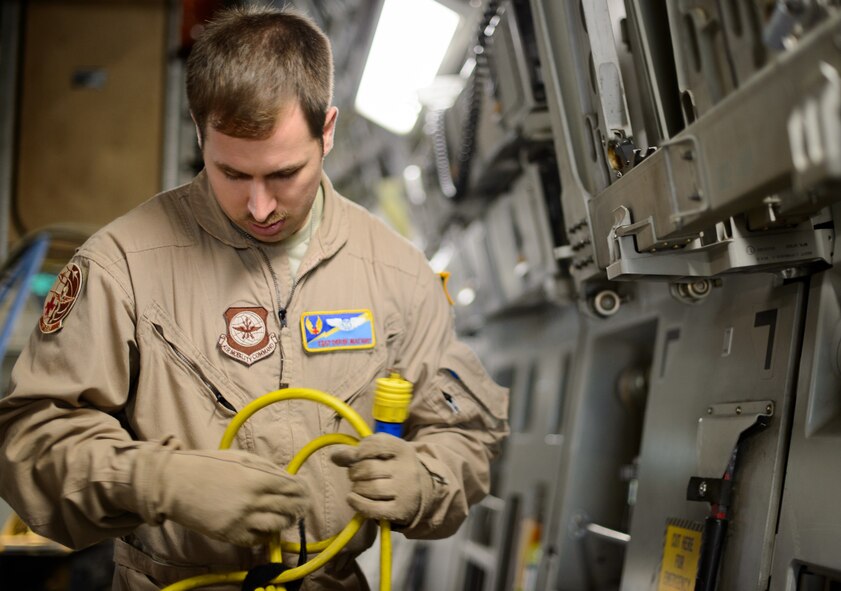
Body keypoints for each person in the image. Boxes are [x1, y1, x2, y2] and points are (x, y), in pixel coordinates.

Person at [0, 5, 509, 591]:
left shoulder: (397, 273)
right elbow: (32, 440)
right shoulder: (122, 266)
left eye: (284, 174)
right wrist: (154, 480)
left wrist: (428, 477)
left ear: (329, 131)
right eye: (233, 175)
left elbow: (465, 435)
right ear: (200, 135)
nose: (260, 206)